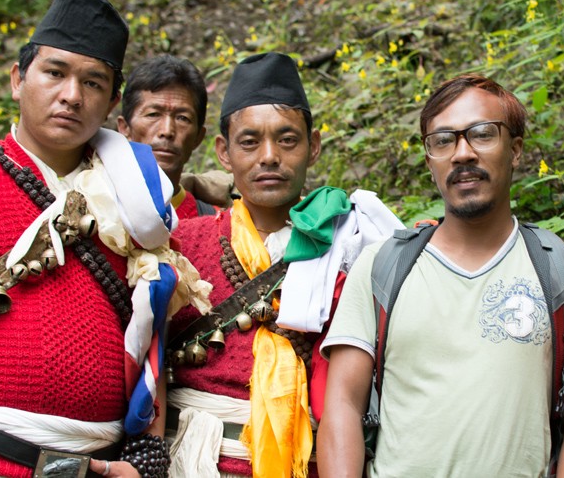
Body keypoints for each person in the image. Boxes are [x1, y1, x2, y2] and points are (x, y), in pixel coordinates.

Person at [316, 74, 564, 477]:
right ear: (430, 159)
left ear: (516, 149)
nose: (462, 153)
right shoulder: (381, 268)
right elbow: (343, 405)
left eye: (483, 134)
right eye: (443, 140)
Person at [0, 0, 208, 478]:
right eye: (55, 73)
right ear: (19, 80)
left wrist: (146, 458)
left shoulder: (139, 204)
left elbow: (152, 336)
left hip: (99, 465)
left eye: (93, 83)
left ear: (111, 102)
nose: (71, 96)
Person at [166, 52, 402, 477]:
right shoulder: (183, 244)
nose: (270, 156)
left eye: (287, 139)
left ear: (313, 147)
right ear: (223, 151)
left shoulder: (352, 245)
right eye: (250, 141)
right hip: (195, 462)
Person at [117, 54, 231, 219]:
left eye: (182, 118)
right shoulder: (93, 210)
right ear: (124, 128)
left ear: (198, 137)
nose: (167, 131)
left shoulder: (218, 225)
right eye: (153, 114)